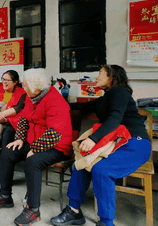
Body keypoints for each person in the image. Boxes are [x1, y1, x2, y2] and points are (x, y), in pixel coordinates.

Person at [50, 65, 151, 226]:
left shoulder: (119, 92)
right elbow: (81, 107)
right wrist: (54, 104)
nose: (96, 78)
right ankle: (74, 210)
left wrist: (94, 138)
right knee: (81, 162)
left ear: (112, 77)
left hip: (135, 144)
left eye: (100, 74)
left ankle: (106, 222)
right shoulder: (105, 98)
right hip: (114, 142)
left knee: (102, 170)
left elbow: (115, 118)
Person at [0, 68, 73, 226]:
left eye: (25, 85)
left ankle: (33, 209)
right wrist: (19, 139)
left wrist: (34, 150)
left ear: (36, 87)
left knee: (33, 162)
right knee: (8, 151)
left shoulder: (55, 100)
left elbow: (55, 133)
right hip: (37, 142)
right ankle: (5, 196)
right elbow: (24, 120)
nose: (23, 88)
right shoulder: (33, 98)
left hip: (58, 146)